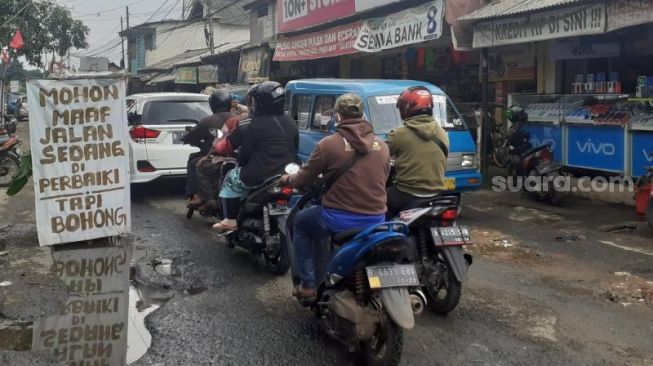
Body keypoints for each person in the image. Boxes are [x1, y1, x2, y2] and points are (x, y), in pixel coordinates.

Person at [279, 93, 391, 300]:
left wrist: (287, 179)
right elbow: (384, 178)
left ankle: (308, 284)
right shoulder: (382, 146)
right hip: (377, 219)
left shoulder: (328, 144)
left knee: (301, 223)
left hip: (338, 218)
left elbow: (303, 179)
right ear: (363, 114)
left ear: (338, 116)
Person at [212, 81, 298, 232]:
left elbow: (244, 155)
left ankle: (230, 220)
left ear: (261, 103)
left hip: (259, 175)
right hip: (286, 173)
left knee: (231, 177)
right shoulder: (291, 122)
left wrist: (242, 164)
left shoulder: (250, 123)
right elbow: (294, 149)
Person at [386, 86, 449, 219]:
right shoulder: (443, 134)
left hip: (405, 193)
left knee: (376, 201)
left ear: (407, 108)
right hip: (437, 193)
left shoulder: (399, 134)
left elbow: (380, 156)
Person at [182, 89, 235, 207]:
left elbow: (191, 136)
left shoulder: (207, 121)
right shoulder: (238, 119)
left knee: (194, 161)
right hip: (235, 157)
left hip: (215, 157)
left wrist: (186, 139)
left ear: (212, 104)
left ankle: (197, 196)